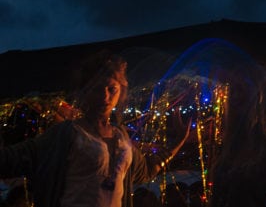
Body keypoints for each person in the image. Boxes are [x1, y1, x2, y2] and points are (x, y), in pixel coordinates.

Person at [0, 51, 189, 207]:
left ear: (121, 91)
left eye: (111, 89)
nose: (104, 97)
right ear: (84, 92)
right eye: (97, 89)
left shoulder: (121, 136)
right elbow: (12, 159)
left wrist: (177, 142)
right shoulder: (66, 134)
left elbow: (145, 171)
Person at [209, 64, 266, 207]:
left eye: (242, 90)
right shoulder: (230, 146)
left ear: (261, 98)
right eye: (233, 91)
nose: (235, 97)